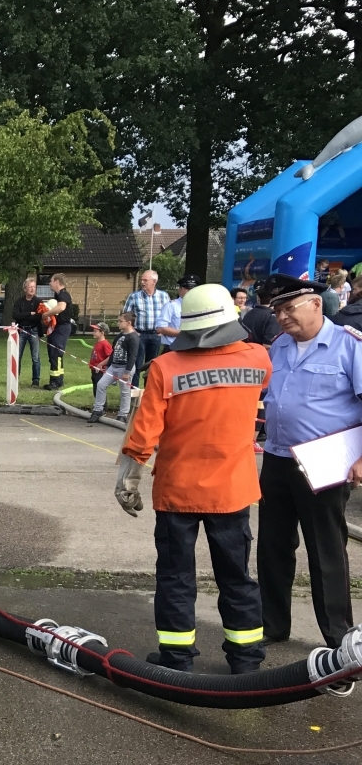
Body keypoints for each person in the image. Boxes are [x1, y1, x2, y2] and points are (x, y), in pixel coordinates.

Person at [115, 284, 270, 674]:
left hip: (177, 492)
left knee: (175, 578)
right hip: (232, 491)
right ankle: (246, 659)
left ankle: (177, 658)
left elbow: (144, 432)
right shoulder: (258, 360)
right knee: (237, 577)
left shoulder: (167, 367)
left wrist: (128, 482)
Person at [252, 272, 362, 648]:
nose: (282, 317)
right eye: (277, 310)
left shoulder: (350, 346)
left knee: (325, 551)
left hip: (326, 463)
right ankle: (272, 625)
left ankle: (338, 637)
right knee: (273, 546)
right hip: (278, 458)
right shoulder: (279, 346)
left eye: (288, 308)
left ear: (316, 303)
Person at [88, 312, 140, 422]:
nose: (118, 324)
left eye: (120, 321)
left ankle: (123, 414)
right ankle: (98, 409)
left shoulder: (133, 337)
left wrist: (127, 371)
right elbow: (113, 352)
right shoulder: (120, 336)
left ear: (129, 323)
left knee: (124, 391)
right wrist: (106, 365)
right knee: (101, 384)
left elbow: (133, 356)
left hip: (124, 367)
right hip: (113, 366)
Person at [121, 270, 173, 380]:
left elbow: (170, 315)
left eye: (145, 280)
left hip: (156, 336)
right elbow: (125, 315)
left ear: (154, 281)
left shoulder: (164, 296)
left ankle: (148, 392)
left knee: (152, 366)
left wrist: (163, 331)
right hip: (139, 334)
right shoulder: (134, 296)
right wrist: (133, 331)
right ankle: (133, 392)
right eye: (141, 280)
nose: (142, 282)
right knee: (136, 364)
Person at [41, 272, 77, 390]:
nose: (49, 283)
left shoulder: (63, 295)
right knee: (54, 354)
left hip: (62, 328)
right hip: (57, 327)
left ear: (57, 282)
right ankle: (56, 380)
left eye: (51, 281)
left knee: (56, 354)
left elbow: (61, 307)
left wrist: (45, 314)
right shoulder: (58, 295)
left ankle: (56, 382)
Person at [10, 277, 43, 387]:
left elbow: (39, 316)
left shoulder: (38, 302)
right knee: (17, 355)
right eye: (30, 287)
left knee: (35, 357)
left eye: (34, 287)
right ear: (25, 289)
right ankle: (15, 378)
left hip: (34, 331)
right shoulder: (19, 302)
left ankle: (36, 380)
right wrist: (30, 313)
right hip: (22, 331)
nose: (32, 289)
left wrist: (40, 333)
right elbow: (15, 315)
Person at [157, 275, 195, 354]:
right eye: (188, 289)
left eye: (193, 289)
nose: (191, 292)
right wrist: (184, 334)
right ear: (180, 289)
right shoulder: (171, 306)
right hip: (172, 348)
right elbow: (161, 328)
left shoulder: (198, 307)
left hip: (191, 348)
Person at [87, 322, 112, 396]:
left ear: (102, 332)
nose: (93, 333)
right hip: (94, 370)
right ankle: (98, 405)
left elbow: (110, 356)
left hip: (100, 371)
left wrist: (101, 364)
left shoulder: (105, 344)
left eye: (95, 331)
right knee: (95, 389)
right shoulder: (98, 343)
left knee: (99, 389)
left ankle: (102, 406)